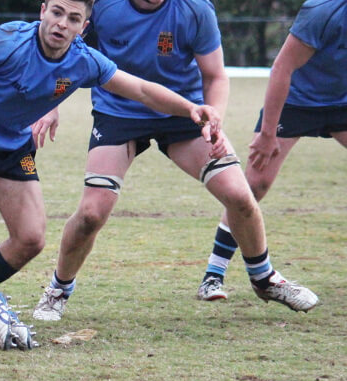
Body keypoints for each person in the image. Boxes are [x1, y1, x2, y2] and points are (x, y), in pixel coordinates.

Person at [32, 0, 319, 321]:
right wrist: (50, 103)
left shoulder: (196, 9)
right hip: (119, 113)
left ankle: (264, 278)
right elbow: (65, 50)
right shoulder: (103, 6)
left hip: (183, 113)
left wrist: (215, 122)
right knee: (90, 214)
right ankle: (58, 289)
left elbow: (215, 76)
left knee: (239, 195)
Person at [0, 0, 223, 298]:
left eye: (72, 18)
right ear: (43, 11)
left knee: (30, 239)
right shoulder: (9, 40)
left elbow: (142, 90)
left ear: (83, 28)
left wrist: (191, 108)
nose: (61, 24)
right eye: (56, 13)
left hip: (12, 149)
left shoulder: (85, 61)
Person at [198, 0, 347, 301]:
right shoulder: (323, 10)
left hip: (342, 104)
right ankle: (213, 276)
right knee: (253, 186)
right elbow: (282, 67)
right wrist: (267, 135)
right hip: (296, 103)